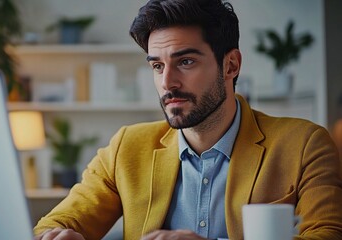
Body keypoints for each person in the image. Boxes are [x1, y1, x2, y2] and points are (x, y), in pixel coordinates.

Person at [33, 0, 342, 239]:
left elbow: (328, 233)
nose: (168, 82)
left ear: (231, 65)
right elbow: (57, 221)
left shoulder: (304, 144)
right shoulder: (127, 147)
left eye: (186, 61)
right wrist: (60, 233)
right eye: (157, 65)